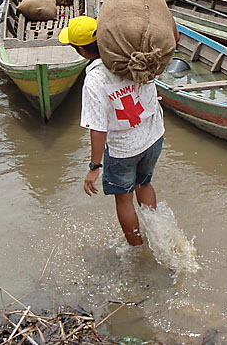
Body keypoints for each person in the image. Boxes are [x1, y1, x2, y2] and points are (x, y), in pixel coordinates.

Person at [59, 13, 178, 246]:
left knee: (124, 199)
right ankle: (157, 236)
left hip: (124, 150)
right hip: (154, 137)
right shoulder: (136, 57)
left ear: (82, 51)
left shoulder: (94, 81)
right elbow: (172, 39)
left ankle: (137, 249)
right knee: (144, 184)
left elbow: (98, 127)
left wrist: (94, 167)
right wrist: (163, 8)